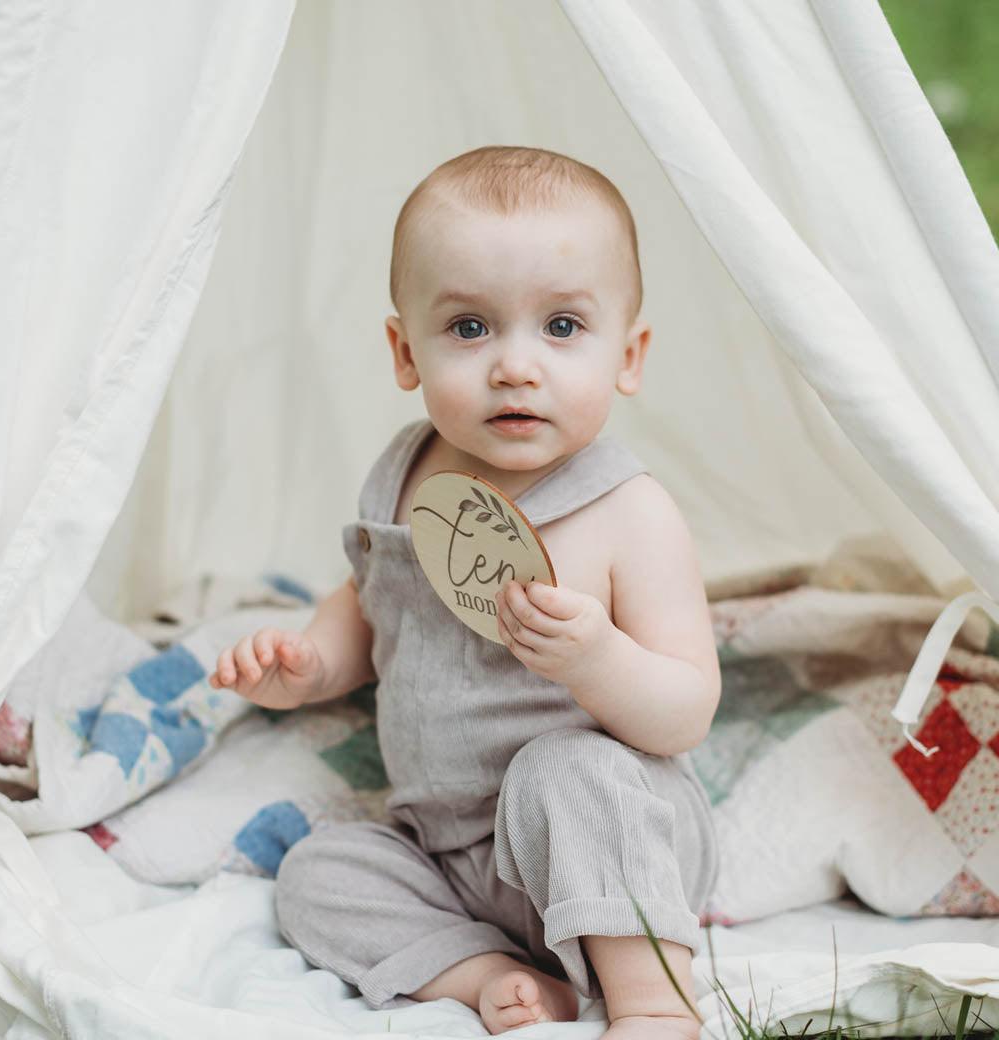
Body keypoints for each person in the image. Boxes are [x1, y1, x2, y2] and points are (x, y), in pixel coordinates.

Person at [208, 145, 721, 1040]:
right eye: (471, 329)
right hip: (446, 851)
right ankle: (493, 978)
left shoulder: (628, 513)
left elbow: (685, 712)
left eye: (562, 328)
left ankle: (651, 1001)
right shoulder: (407, 477)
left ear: (628, 355)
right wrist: (309, 663)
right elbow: (373, 600)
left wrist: (599, 659)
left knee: (567, 767)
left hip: (610, 837)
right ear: (405, 352)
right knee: (318, 871)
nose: (515, 366)